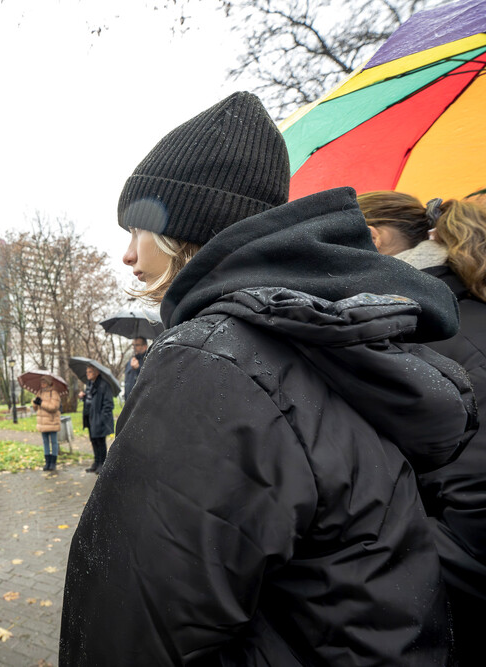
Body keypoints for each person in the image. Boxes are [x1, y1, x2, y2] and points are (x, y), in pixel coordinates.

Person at [60, 92, 476, 665]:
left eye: (137, 229)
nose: (128, 254)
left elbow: (137, 623)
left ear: (186, 227)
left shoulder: (213, 358)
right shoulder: (317, 338)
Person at [360, 191, 486, 665]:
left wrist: (381, 567)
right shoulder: (445, 313)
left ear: (371, 238)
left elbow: (475, 509)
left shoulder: (430, 331)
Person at [84, 366, 114, 474]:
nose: (87, 374)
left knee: (100, 442)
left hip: (99, 418)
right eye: (87, 372)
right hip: (90, 417)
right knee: (93, 440)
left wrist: (102, 418)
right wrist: (83, 397)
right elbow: (90, 400)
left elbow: (108, 404)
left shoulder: (104, 385)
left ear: (96, 372)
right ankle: (96, 463)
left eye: (90, 372)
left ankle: (103, 464)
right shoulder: (89, 384)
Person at [33, 376, 61, 472]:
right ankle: (47, 462)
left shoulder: (54, 393)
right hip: (42, 423)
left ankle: (53, 463)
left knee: (53, 442)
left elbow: (54, 407)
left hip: (52, 422)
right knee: (45, 442)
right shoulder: (39, 392)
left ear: (49, 383)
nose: (42, 384)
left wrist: (41, 403)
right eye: (41, 382)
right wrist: (35, 403)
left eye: (44, 382)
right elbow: (35, 408)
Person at [122, 337, 148, 401]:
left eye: (137, 345)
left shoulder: (148, 361)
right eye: (133, 345)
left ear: (145, 347)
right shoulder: (130, 361)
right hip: (129, 401)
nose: (134, 347)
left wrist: (138, 369)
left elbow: (148, 380)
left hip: (141, 402)